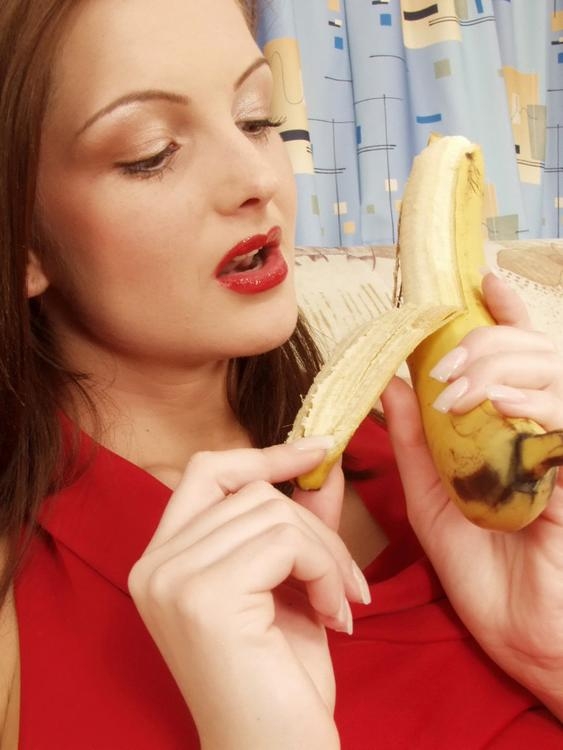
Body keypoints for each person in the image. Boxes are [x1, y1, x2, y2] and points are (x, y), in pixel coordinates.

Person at [0, 0, 562, 747]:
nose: (255, 178)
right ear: (23, 245)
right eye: (152, 152)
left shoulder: (442, 474)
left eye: (255, 118)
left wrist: (547, 658)